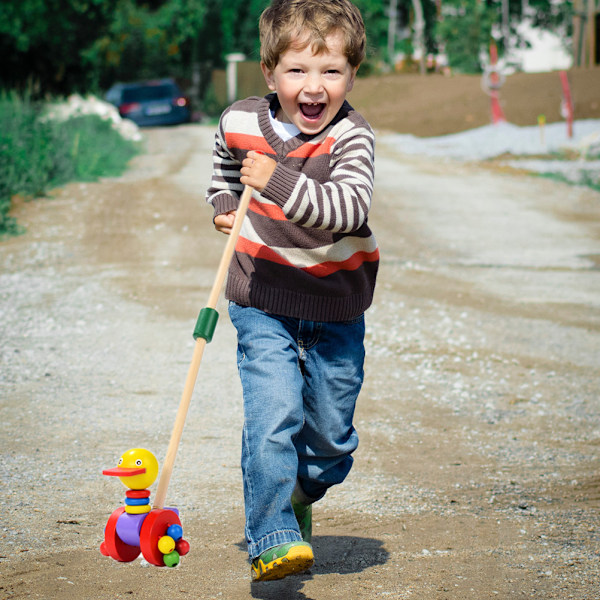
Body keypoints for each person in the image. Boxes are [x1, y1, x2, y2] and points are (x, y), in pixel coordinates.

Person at [205, 0, 379, 582]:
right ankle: (271, 535)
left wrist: (276, 180)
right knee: (272, 414)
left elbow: (347, 209)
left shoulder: (351, 139)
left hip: (334, 306)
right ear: (270, 72)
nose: (313, 86)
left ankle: (298, 492)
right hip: (262, 297)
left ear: (352, 75)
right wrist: (226, 205)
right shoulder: (239, 121)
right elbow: (224, 166)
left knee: (331, 440)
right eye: (297, 70)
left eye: (331, 71)